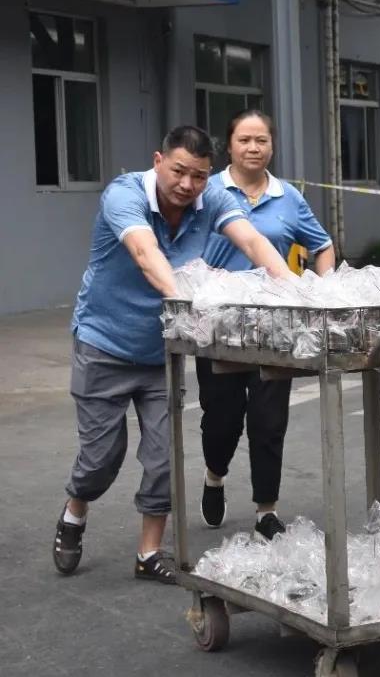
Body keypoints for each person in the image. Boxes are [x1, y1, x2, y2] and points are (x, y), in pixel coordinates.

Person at [52, 126, 292, 585]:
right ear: (158, 160)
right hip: (104, 344)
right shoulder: (125, 195)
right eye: (179, 171)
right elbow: (145, 253)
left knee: (164, 457)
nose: (187, 184)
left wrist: (295, 291)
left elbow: (253, 242)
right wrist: (189, 303)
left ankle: (148, 552)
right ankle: (75, 509)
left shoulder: (212, 198)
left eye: (199, 175)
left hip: (161, 352)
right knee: (101, 459)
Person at [197, 110, 335, 540]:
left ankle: (266, 510)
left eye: (261, 140)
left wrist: (325, 291)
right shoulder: (207, 190)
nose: (253, 148)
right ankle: (215, 475)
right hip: (217, 326)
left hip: (277, 327)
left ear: (272, 146)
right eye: (244, 140)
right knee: (221, 419)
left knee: (269, 420)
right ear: (229, 145)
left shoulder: (288, 196)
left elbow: (323, 245)